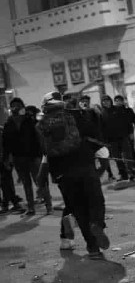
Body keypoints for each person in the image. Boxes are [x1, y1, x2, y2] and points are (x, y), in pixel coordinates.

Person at [37, 91, 110, 259]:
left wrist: (42, 180)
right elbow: (95, 137)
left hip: (62, 173)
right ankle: (97, 224)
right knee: (96, 201)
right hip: (84, 165)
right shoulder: (75, 116)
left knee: (79, 209)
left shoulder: (41, 125)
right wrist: (102, 164)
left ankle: (93, 249)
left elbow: (42, 154)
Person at [2, 97, 52, 215]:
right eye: (13, 106)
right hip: (18, 157)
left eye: (18, 105)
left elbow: (39, 137)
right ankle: (31, 207)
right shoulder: (9, 124)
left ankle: (48, 205)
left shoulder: (30, 120)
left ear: (22, 107)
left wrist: (43, 153)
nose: (15, 108)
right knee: (26, 183)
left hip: (33, 156)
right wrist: (6, 158)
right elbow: (6, 143)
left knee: (39, 182)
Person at [101, 95, 135, 181]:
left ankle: (131, 172)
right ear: (102, 103)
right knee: (117, 158)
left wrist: (130, 132)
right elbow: (101, 128)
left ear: (110, 101)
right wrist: (104, 140)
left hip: (123, 136)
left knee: (127, 155)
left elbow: (127, 121)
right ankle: (123, 175)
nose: (106, 102)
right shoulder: (102, 114)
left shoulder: (118, 109)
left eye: (107, 100)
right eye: (104, 101)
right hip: (112, 139)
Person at [0, 124, 25, 214]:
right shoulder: (3, 130)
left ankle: (9, 204)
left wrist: (6, 161)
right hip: (5, 160)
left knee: (5, 183)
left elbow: (5, 148)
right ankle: (14, 203)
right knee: (6, 183)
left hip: (4, 161)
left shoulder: (2, 131)